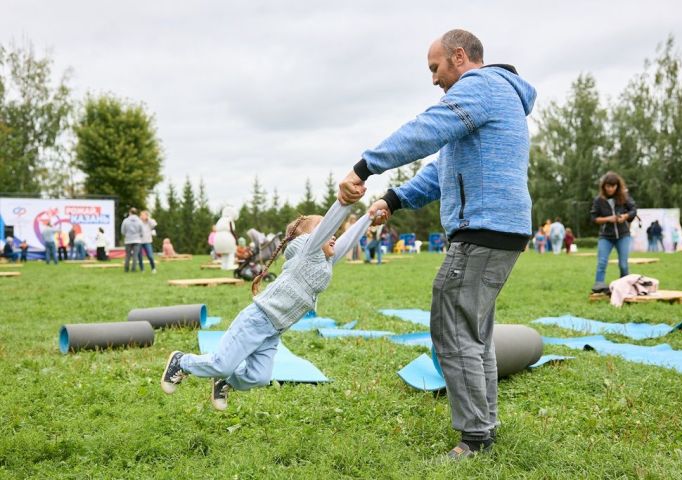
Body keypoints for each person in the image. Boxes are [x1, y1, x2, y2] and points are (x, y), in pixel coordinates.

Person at [337, 29, 536, 458]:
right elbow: (441, 167)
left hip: (482, 230)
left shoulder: (481, 86)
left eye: (435, 68)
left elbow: (425, 130)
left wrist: (364, 166)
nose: (434, 80)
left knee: (451, 326)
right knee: (475, 333)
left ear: (459, 57)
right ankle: (484, 427)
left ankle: (475, 439)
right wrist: (394, 198)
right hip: (502, 229)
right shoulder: (496, 97)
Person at [160, 201, 375, 411]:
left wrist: (369, 217)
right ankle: (182, 361)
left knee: (259, 377)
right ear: (310, 239)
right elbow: (330, 224)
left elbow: (347, 240)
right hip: (257, 319)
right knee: (222, 364)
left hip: (273, 331)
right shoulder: (307, 253)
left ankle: (224, 383)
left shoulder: (323, 262)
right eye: (326, 231)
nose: (334, 234)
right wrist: (345, 201)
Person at [590, 172, 637, 293]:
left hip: (623, 236)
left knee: (623, 264)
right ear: (604, 186)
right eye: (608, 186)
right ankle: (599, 287)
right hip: (606, 237)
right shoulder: (599, 200)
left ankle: (625, 287)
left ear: (617, 186)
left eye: (613, 186)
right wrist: (608, 219)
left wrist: (625, 216)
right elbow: (594, 218)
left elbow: (633, 210)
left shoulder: (624, 197)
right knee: (602, 262)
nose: (610, 189)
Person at [120, 207, 143, 272]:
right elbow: (142, 231)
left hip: (128, 240)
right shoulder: (139, 221)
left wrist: (126, 235)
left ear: (130, 212)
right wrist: (139, 236)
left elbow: (122, 231)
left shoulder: (125, 220)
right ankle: (133, 269)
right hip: (137, 240)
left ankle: (126, 269)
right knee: (135, 256)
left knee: (128, 255)